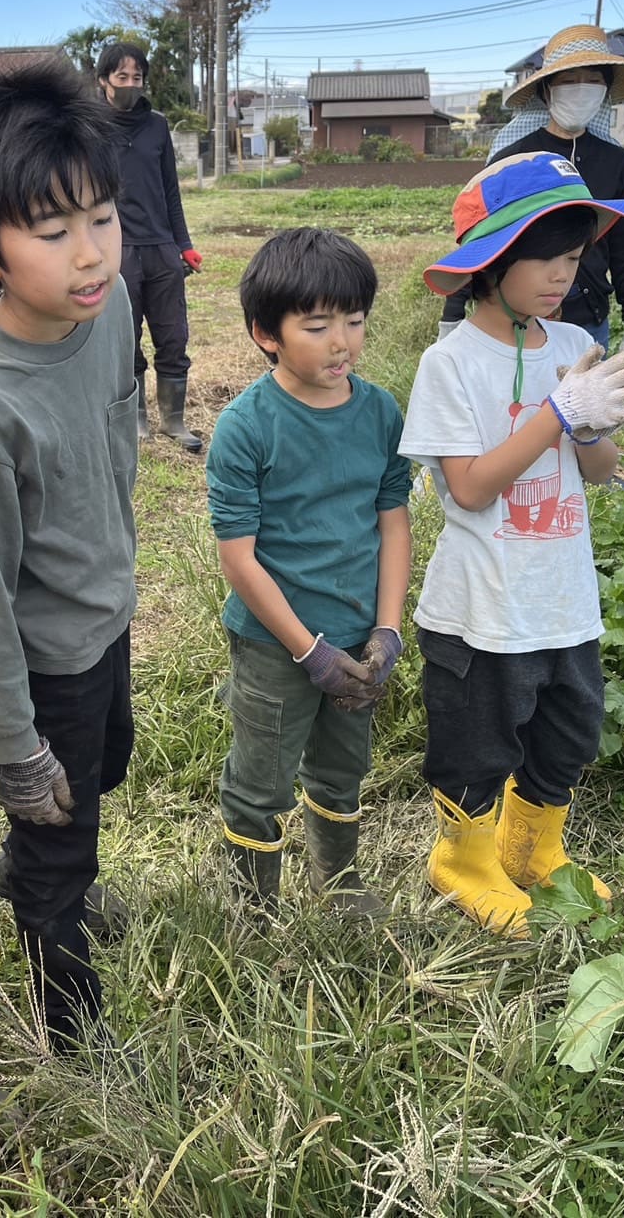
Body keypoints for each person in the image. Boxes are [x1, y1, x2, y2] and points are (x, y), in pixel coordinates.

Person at [0, 61, 138, 1054]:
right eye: (53, 234)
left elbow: (119, 427)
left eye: (100, 217)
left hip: (105, 618)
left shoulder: (108, 307)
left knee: (107, 769)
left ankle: (42, 875)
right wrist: (13, 744)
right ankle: (74, 1037)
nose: (89, 255)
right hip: (43, 660)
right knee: (58, 825)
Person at [400, 152, 624, 936]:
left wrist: (592, 422)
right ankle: (463, 858)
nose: (561, 274)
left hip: (561, 594)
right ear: (492, 260)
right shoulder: (447, 363)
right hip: (479, 605)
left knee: (568, 728)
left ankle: (532, 844)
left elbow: (600, 469)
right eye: (545, 257)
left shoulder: (571, 340)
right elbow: (470, 488)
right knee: (477, 740)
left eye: (574, 258)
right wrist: (554, 411)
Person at [206, 227, 412, 916]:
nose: (341, 342)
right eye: (317, 324)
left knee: (342, 765)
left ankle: (339, 885)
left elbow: (392, 524)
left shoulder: (380, 412)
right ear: (266, 332)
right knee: (259, 779)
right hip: (274, 643)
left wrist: (386, 629)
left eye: (354, 321)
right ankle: (250, 908)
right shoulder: (246, 426)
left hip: (356, 634)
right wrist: (307, 649)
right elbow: (238, 557)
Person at [440, 25, 624, 351]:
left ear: (606, 90)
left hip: (589, 321)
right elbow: (483, 238)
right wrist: (452, 318)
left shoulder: (617, 162)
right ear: (546, 91)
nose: (581, 89)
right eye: (569, 81)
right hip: (519, 318)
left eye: (593, 80)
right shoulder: (515, 158)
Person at [96, 42, 202, 449]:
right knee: (126, 336)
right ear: (103, 80)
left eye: (136, 78)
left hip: (161, 247)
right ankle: (135, 418)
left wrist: (184, 243)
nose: (129, 85)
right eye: (121, 77)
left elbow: (171, 190)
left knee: (173, 335)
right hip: (117, 247)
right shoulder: (90, 126)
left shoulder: (157, 126)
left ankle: (174, 421)